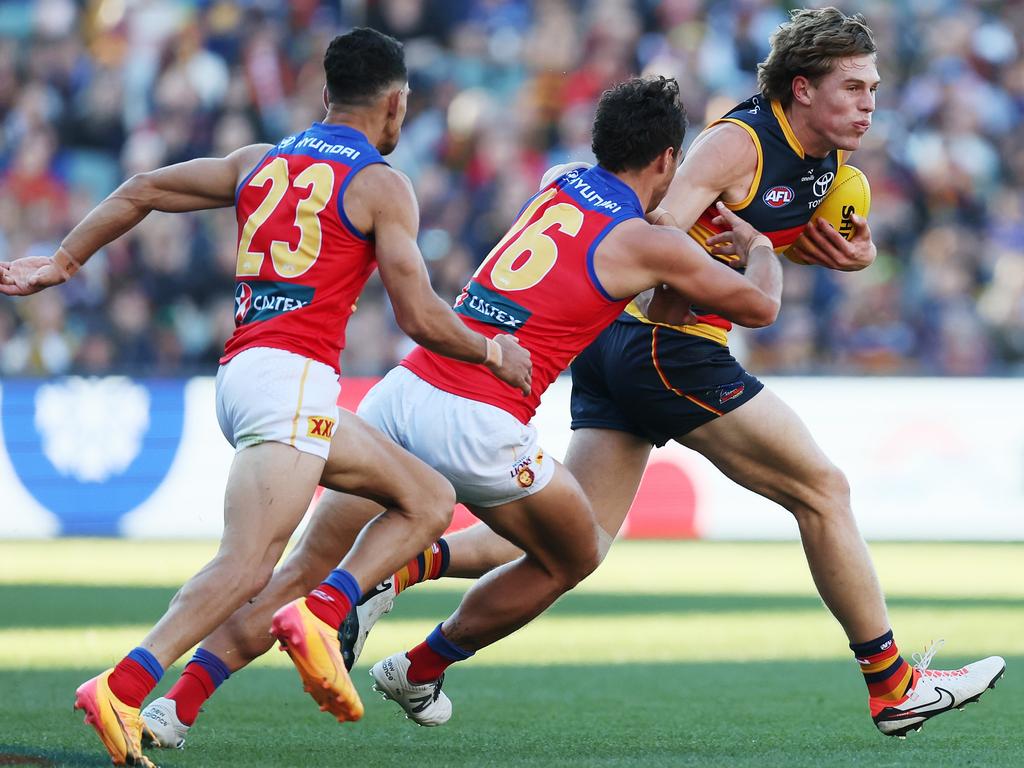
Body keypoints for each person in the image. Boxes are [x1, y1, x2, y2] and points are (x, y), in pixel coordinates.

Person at [336, 6, 1005, 738]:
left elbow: (761, 237)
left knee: (572, 542)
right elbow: (658, 227)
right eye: (852, 87)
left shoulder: (830, 171)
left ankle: (412, 642)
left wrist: (855, 255)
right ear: (802, 89)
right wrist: (720, 278)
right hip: (663, 347)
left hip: (627, 352)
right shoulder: (737, 141)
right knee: (823, 490)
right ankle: (892, 685)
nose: (869, 102)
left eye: (874, 88)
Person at [138, 74, 784, 746]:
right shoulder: (653, 244)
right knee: (577, 551)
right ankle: (411, 661)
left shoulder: (558, 179)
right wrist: (761, 246)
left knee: (300, 565)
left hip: (405, 391)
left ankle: (175, 706)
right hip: (481, 417)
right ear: (666, 161)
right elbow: (759, 307)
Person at [0, 27, 532, 767]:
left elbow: (142, 188)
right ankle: (127, 685)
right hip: (291, 382)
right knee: (248, 566)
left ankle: (314, 612)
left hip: (248, 374)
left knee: (427, 498)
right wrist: (490, 350)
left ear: (323, 96)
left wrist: (63, 260)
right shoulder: (381, 183)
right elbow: (416, 314)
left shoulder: (261, 160)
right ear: (396, 105)